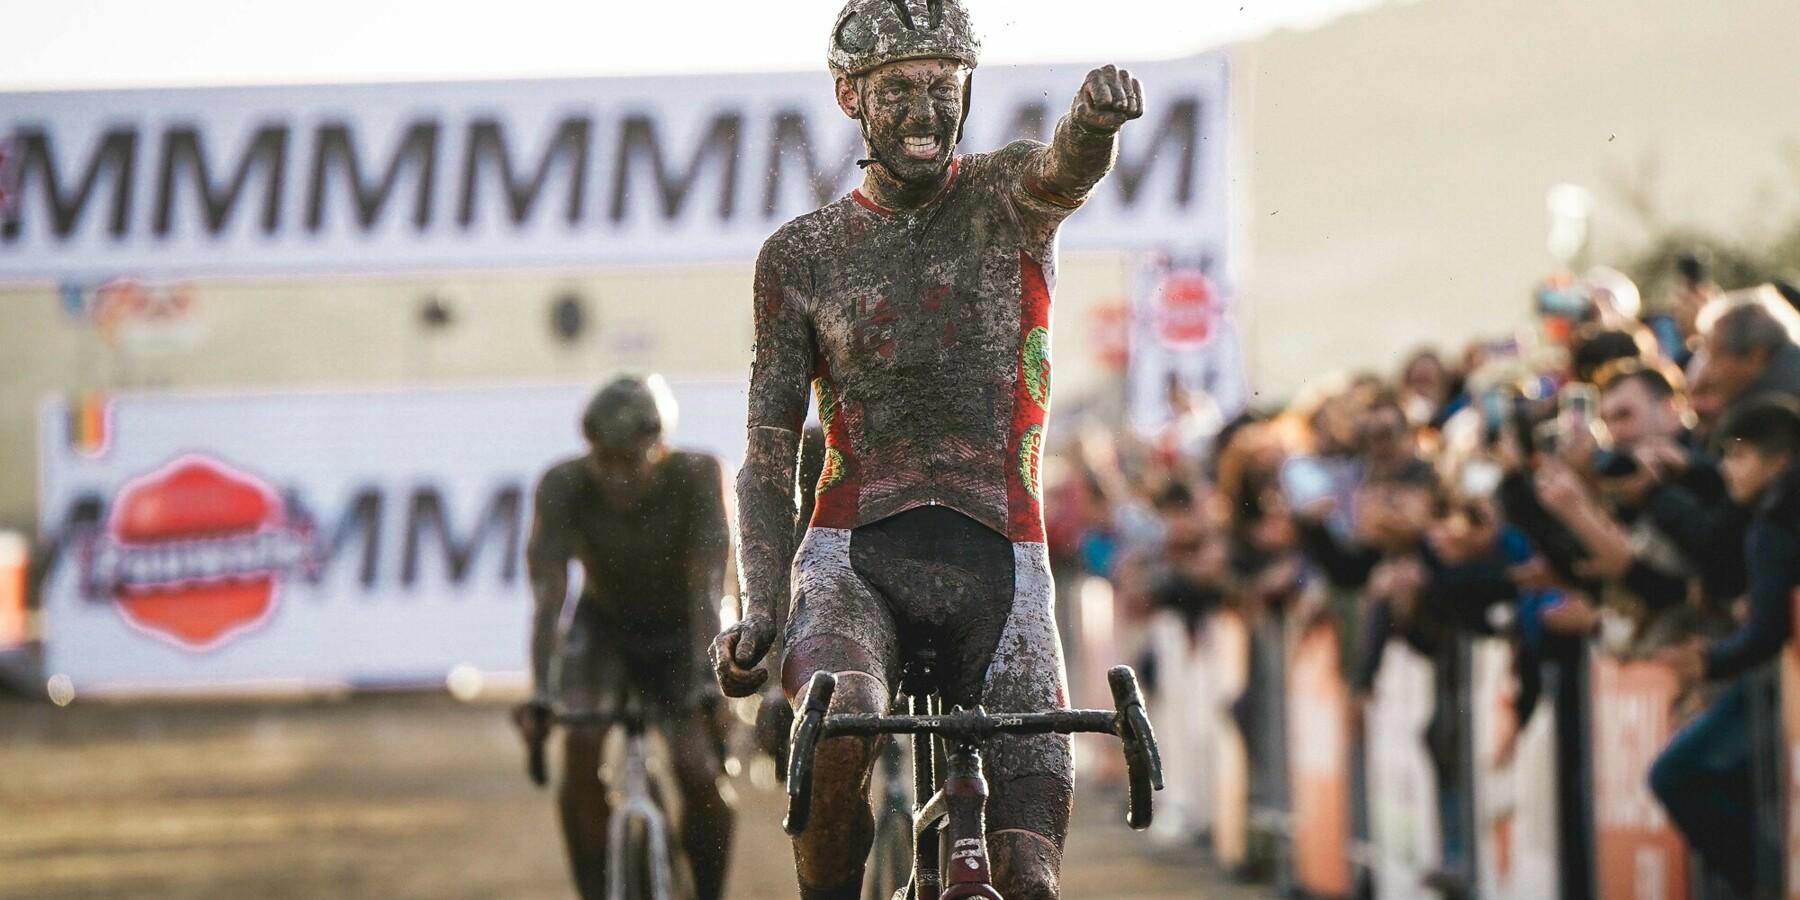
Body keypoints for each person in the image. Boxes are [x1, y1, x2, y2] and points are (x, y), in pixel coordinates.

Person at [708, 1, 1146, 896]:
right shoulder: (802, 254)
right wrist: (761, 603)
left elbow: (1067, 171)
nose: (924, 110)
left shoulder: (1007, 195)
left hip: (1003, 557)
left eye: (943, 87)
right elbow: (766, 449)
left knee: (1028, 877)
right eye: (898, 88)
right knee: (843, 729)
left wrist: (1092, 123)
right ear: (848, 97)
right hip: (854, 561)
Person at [513, 375, 735, 900]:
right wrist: (542, 694)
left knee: (698, 770)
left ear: (660, 447)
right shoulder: (562, 484)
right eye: (603, 460)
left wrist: (712, 687)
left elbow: (707, 590)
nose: (616, 477)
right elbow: (548, 601)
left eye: (630, 460)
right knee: (581, 745)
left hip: (684, 633)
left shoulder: (699, 475)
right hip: (604, 628)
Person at [1649, 395, 1800, 896]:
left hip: (1778, 686)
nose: (1727, 471)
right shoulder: (1764, 514)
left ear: (1778, 460)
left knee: (1678, 774)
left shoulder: (1776, 520)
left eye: (1739, 456)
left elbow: (1765, 632)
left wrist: (1708, 661)